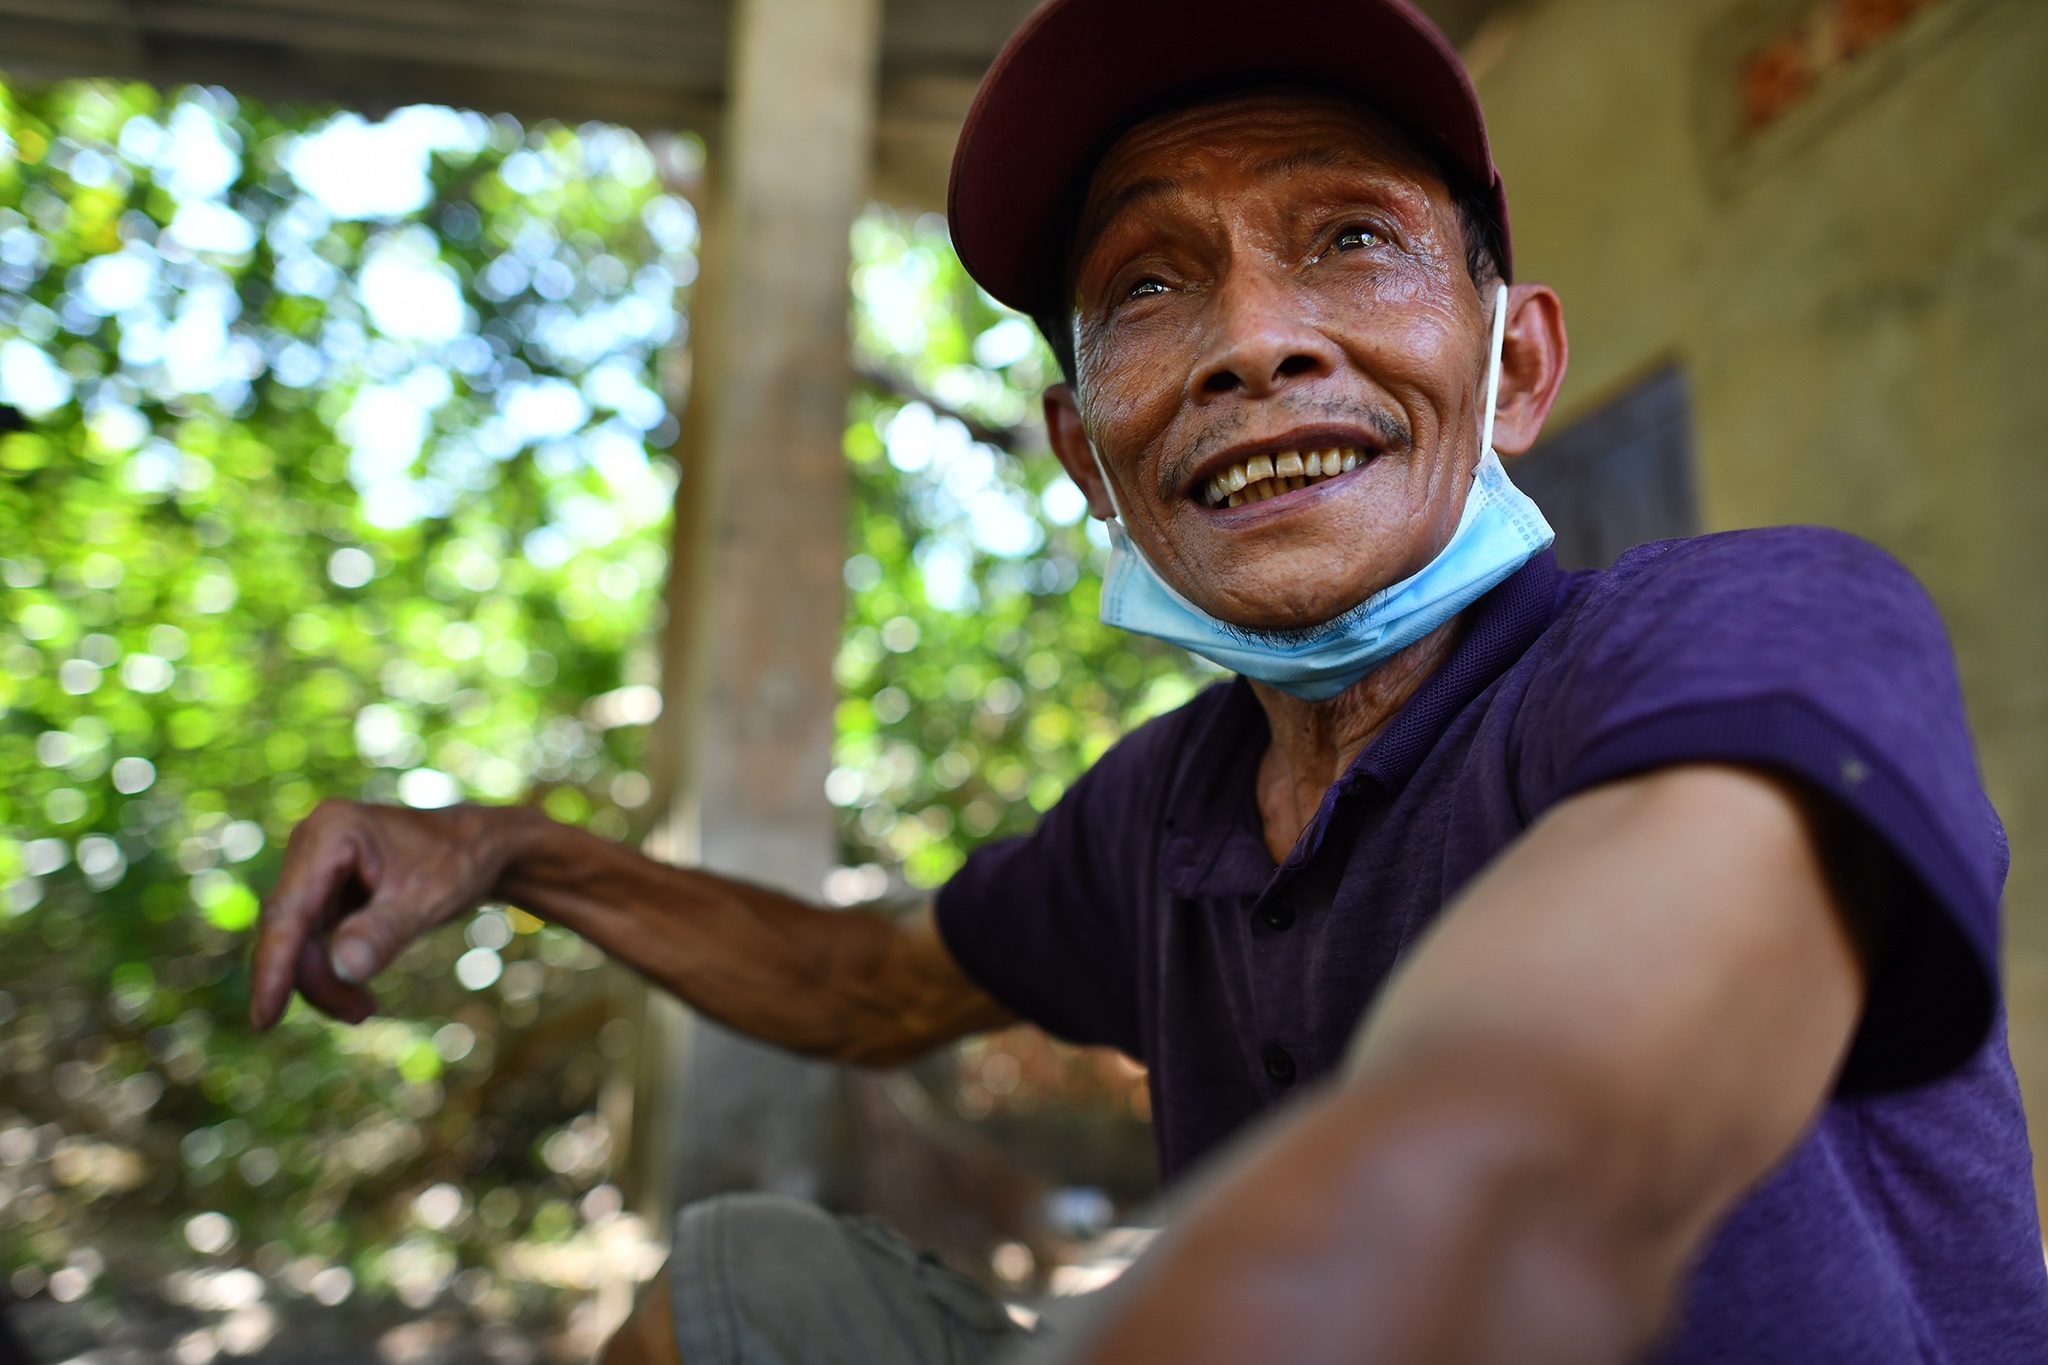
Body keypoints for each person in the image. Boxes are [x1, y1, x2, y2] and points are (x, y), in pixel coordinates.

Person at [251, 0, 2048, 1360]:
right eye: (1150, 286)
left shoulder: (1751, 625)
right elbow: (863, 984)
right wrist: (515, 851)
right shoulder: (1169, 813)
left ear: (1515, 373)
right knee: (747, 1284)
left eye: (1352, 236)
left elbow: (1552, 1107)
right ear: (1084, 453)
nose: (1257, 339)